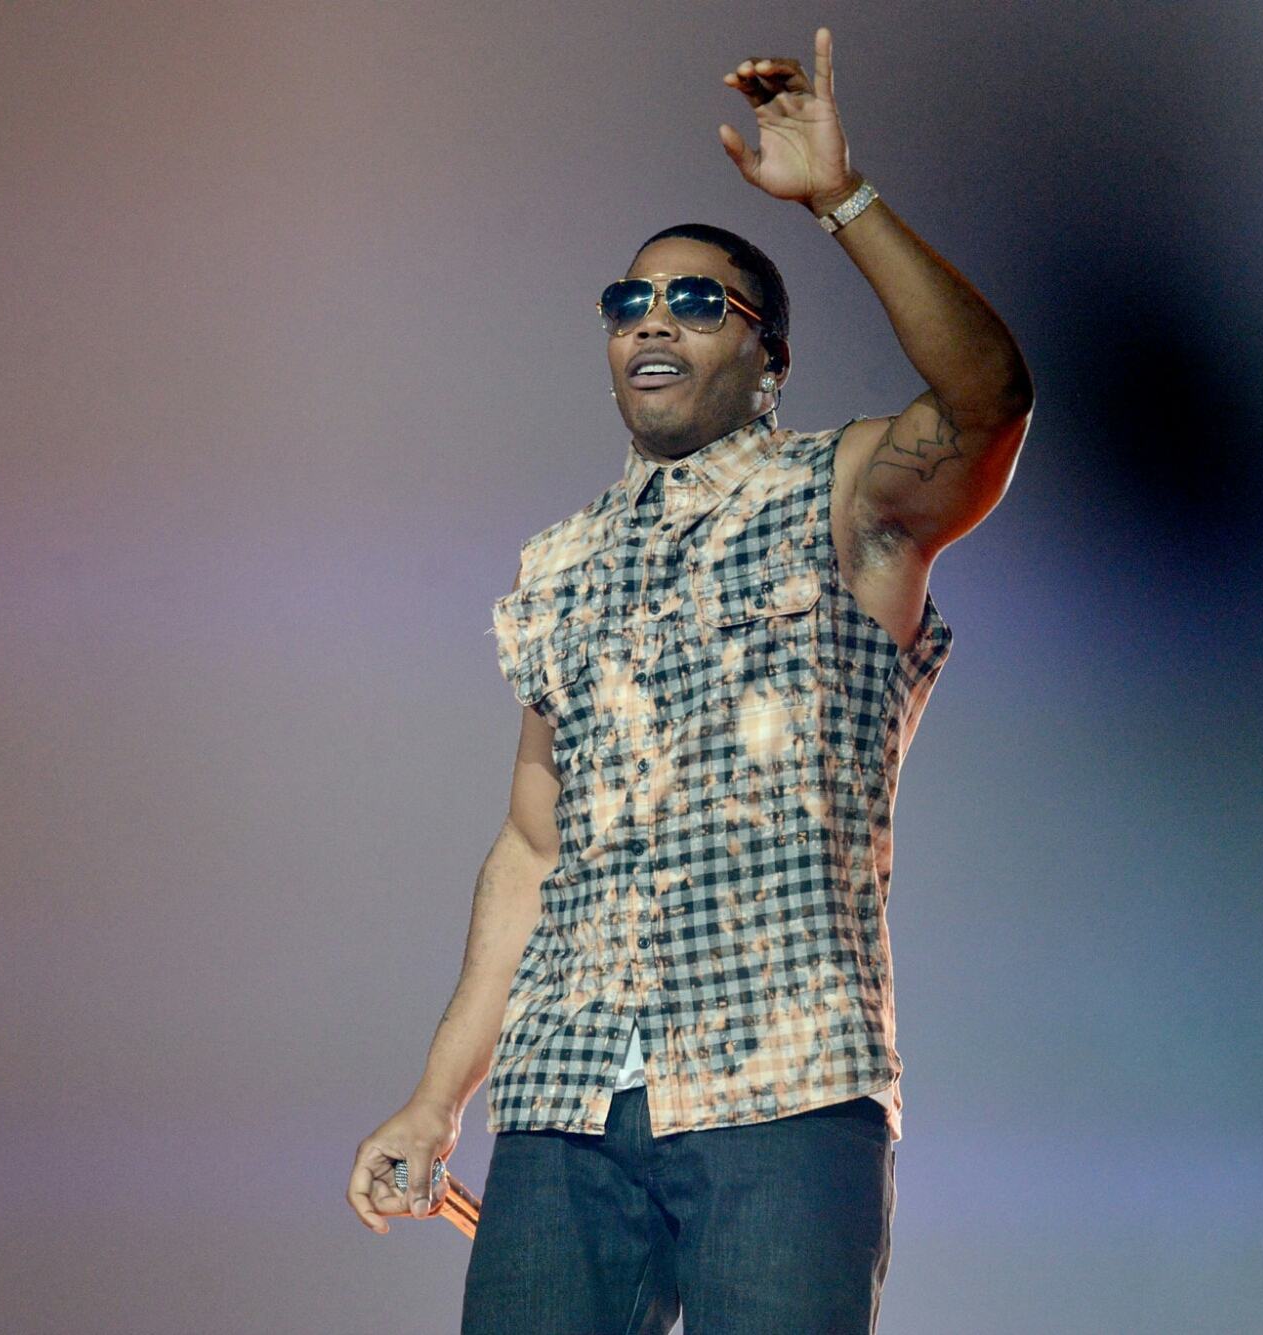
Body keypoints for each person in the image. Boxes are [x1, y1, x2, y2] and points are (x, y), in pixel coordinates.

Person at [347, 28, 1032, 1333]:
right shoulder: (559, 567)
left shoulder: (847, 496)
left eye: (699, 302)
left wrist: (842, 199)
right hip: (564, 1094)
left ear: (769, 357)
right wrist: (438, 1100)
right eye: (631, 303)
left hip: (783, 1079)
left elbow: (989, 400)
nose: (655, 319)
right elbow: (531, 848)